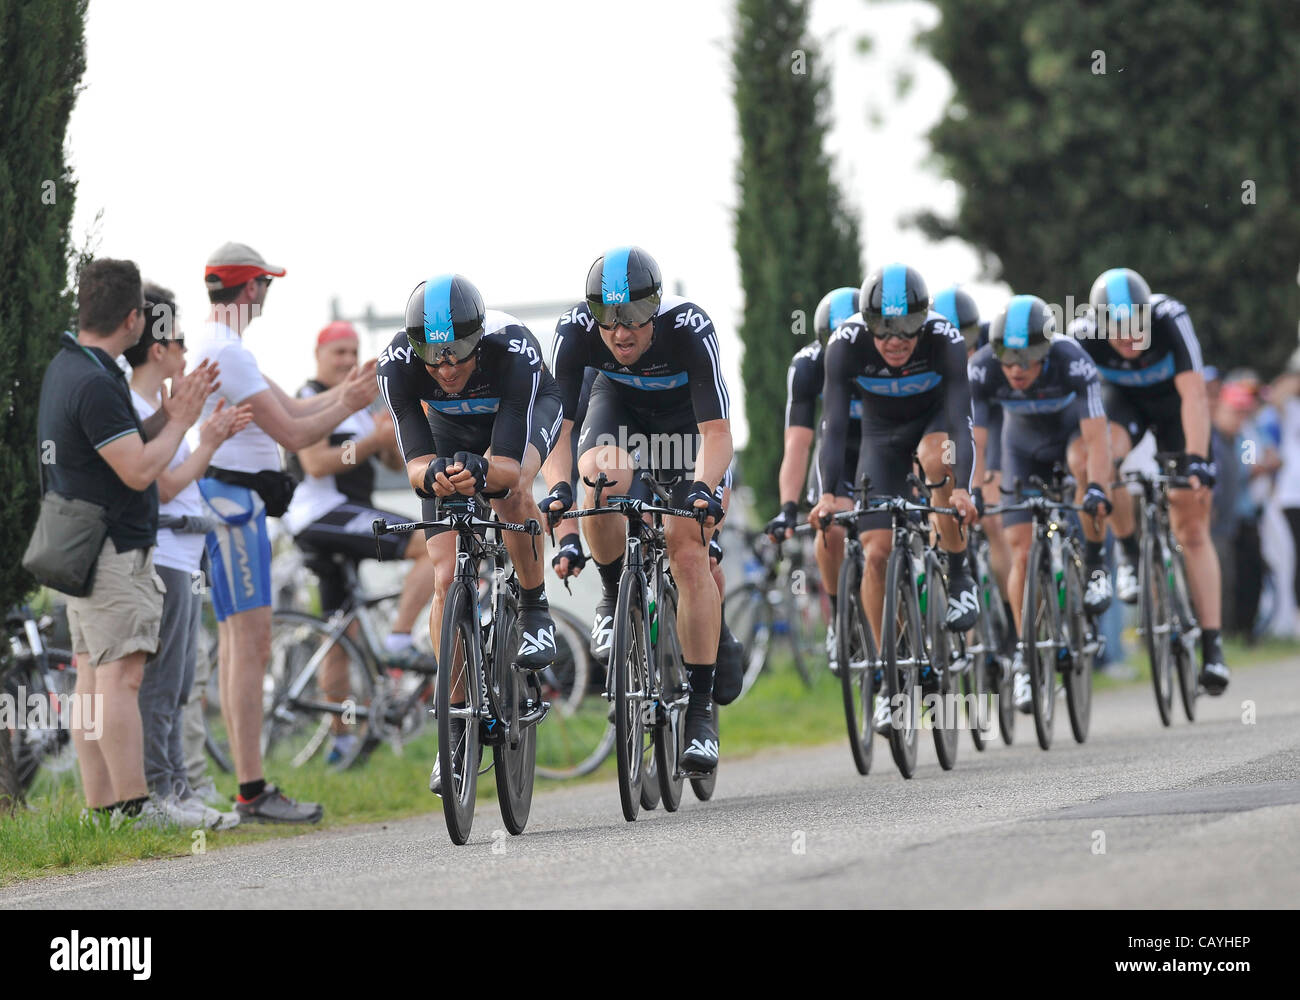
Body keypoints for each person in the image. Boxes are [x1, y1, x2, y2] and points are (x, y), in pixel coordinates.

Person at [191, 242, 379, 823]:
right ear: (251, 289)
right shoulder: (231, 352)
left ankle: (248, 787)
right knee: (251, 646)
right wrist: (354, 403)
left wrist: (347, 397)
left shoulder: (220, 345)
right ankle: (251, 790)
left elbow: (295, 415)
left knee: (240, 645)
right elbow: (297, 437)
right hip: (236, 506)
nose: (268, 294)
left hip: (230, 505)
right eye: (266, 284)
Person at [38, 258, 217, 828]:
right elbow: (139, 472)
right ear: (134, 319)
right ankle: (138, 809)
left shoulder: (75, 367)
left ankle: (104, 810)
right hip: (113, 550)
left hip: (86, 551)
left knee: (93, 679)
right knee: (122, 678)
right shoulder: (95, 380)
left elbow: (115, 447)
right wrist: (184, 421)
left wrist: (166, 413)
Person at [544, 247, 733, 773]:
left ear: (654, 309)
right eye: (608, 319)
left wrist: (701, 489)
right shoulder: (574, 331)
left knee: (688, 550)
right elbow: (556, 431)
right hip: (619, 412)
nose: (620, 333)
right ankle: (612, 595)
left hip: (686, 433)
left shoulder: (690, 328)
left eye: (632, 319)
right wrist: (560, 488)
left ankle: (699, 713)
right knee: (599, 479)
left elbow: (716, 434)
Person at [376, 274, 563, 795]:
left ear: (478, 338)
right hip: (450, 431)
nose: (446, 366)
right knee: (443, 578)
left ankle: (532, 606)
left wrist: (483, 473)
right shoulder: (396, 365)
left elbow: (504, 467)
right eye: (433, 356)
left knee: (514, 493)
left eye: (458, 352)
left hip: (519, 415)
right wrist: (437, 474)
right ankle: (455, 723)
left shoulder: (512, 349)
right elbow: (415, 466)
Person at [809, 264, 980, 733]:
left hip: (934, 428)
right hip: (880, 441)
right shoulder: (845, 344)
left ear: (924, 320)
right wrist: (827, 495)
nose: (896, 340)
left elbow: (963, 419)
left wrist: (963, 489)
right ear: (867, 322)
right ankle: (888, 681)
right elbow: (834, 426)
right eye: (884, 329)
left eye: (907, 328)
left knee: (935, 459)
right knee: (876, 552)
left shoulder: (945, 337)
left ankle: (960, 575)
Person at [283, 321, 438, 764]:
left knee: (339, 632)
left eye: (354, 353)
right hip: (322, 513)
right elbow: (315, 463)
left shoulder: (357, 404)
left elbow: (388, 457)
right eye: (340, 353)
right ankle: (399, 639)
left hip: (339, 516)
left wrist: (391, 437)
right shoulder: (311, 396)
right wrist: (371, 440)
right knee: (431, 540)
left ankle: (342, 742)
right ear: (319, 354)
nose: (349, 361)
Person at [125, 283, 250, 828]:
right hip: (166, 554)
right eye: (177, 339)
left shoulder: (155, 407)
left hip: (182, 554)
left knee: (176, 684)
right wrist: (207, 440)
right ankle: (163, 793)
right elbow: (166, 486)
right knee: (161, 686)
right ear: (157, 348)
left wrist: (203, 431)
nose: (186, 350)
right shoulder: (135, 404)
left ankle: (177, 788)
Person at [1072, 268, 1228, 694]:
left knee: (1192, 525)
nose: (1127, 338)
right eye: (1116, 331)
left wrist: (1196, 460)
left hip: (1176, 409)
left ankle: (1212, 646)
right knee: (1102, 464)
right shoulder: (1082, 336)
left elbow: (1195, 396)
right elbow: (1082, 416)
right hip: (1124, 407)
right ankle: (1127, 550)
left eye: (1134, 326)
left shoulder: (1169, 317)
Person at [969, 294, 1113, 713]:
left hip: (1070, 442)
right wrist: (974, 487)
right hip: (1021, 450)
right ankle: (1028, 658)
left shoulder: (1071, 358)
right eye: (1007, 362)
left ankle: (1094, 560)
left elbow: (1097, 435)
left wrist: (1098, 488)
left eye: (1026, 362)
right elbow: (974, 439)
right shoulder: (981, 366)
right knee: (1019, 547)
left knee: (1083, 467)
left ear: (1045, 352)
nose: (1015, 370)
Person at [765, 286, 862, 675]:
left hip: (886, 443)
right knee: (830, 525)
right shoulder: (807, 365)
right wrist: (789, 509)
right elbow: (798, 443)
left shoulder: (889, 357)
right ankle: (840, 618)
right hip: (837, 449)